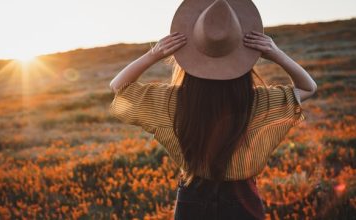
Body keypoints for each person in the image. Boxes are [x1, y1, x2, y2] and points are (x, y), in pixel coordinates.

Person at [109, 0, 317, 219]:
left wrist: (155, 53)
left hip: (191, 199)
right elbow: (308, 87)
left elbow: (118, 86)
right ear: (243, 60)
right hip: (242, 201)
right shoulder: (258, 101)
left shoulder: (172, 100)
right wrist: (275, 53)